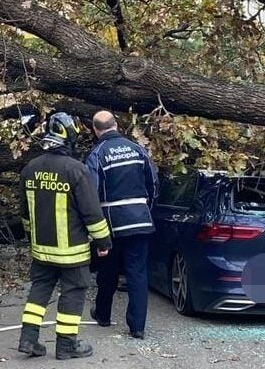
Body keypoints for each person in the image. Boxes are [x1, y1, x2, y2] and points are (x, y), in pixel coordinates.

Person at [16, 112, 111, 360]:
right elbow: (92, 212)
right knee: (73, 292)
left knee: (39, 291)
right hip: (72, 252)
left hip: (41, 250)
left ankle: (28, 339)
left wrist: (32, 240)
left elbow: (25, 214)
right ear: (68, 138)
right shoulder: (76, 170)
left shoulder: (30, 169)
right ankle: (67, 345)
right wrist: (103, 242)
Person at [84, 111, 158, 339]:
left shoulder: (97, 154)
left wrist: (92, 228)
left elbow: (91, 194)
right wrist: (147, 210)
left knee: (108, 270)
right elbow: (153, 183)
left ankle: (103, 315)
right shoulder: (138, 150)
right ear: (116, 125)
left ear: (96, 130)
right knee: (137, 273)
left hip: (112, 223)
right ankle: (138, 327)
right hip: (141, 220)